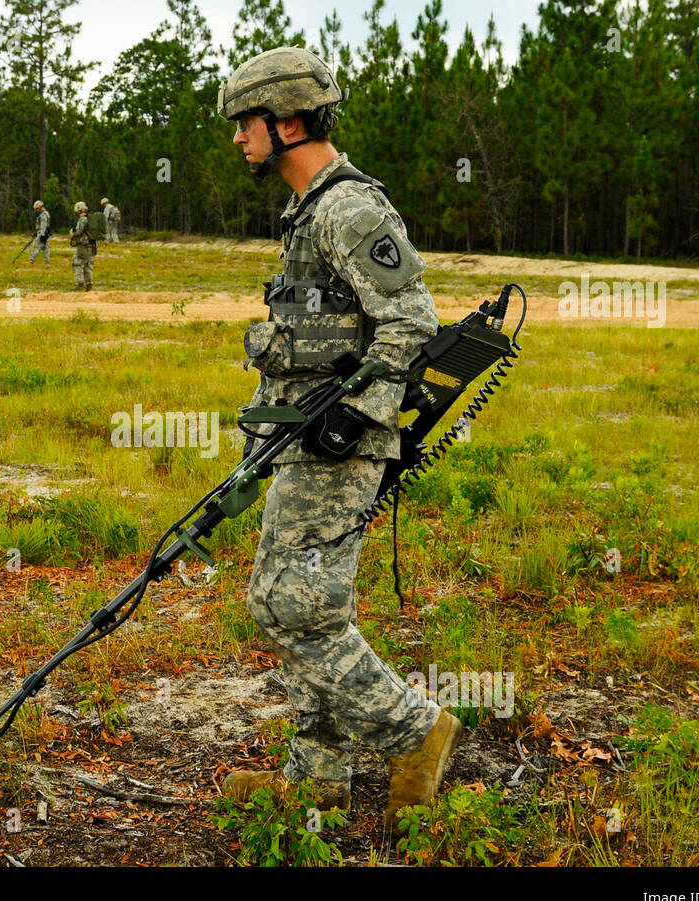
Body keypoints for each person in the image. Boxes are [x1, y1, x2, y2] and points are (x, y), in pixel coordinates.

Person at [216, 47, 462, 828]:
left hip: (341, 444)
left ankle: (416, 731)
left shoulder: (348, 209)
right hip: (304, 438)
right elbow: (311, 336)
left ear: (287, 120)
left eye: (244, 124)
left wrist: (355, 415)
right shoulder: (308, 209)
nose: (237, 140)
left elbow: (412, 321)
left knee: (291, 610)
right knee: (298, 604)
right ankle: (316, 777)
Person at [69, 200, 95, 291]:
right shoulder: (91, 219)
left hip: (83, 245)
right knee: (88, 265)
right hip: (92, 246)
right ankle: (89, 285)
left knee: (77, 263)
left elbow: (79, 232)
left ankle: (80, 284)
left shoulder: (82, 219)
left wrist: (73, 233)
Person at [30, 199, 51, 265]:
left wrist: (42, 235)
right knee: (45, 247)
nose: (37, 210)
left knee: (36, 247)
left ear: (40, 207)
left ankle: (31, 261)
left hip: (43, 233)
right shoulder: (46, 213)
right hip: (45, 233)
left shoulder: (43, 215)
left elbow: (43, 225)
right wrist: (37, 232)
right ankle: (47, 261)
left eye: (37, 209)